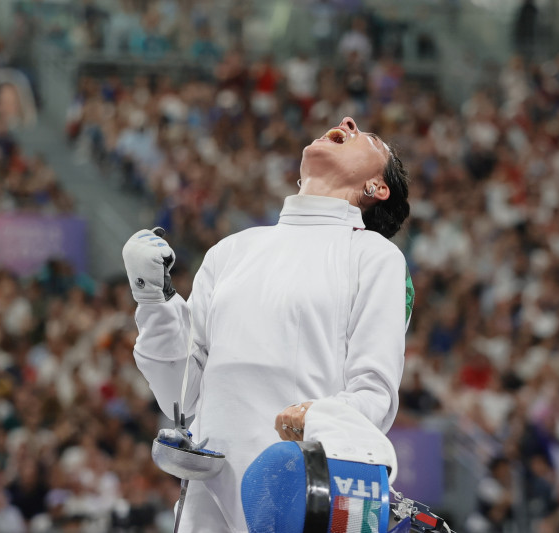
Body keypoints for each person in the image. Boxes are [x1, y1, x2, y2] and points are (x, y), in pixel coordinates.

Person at [122, 116, 411, 532]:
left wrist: (318, 417)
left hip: (300, 494)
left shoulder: (375, 257)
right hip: (209, 502)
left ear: (376, 188)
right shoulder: (230, 251)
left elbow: (374, 395)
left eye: (370, 137)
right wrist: (154, 299)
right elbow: (181, 397)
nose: (347, 121)